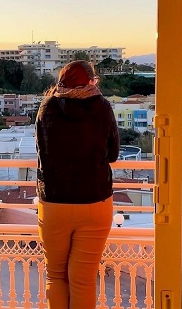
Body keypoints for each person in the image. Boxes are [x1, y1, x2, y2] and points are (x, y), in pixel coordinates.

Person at [35, 60, 120, 308]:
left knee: (56, 276)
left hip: (54, 203)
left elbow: (43, 152)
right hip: (95, 201)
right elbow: (113, 154)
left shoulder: (47, 107)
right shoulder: (102, 107)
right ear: (92, 81)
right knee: (82, 281)